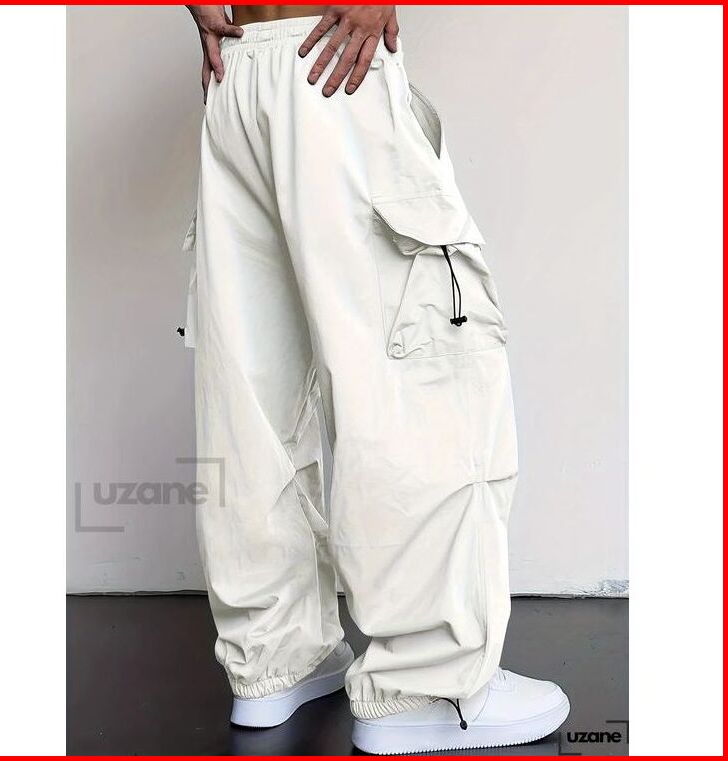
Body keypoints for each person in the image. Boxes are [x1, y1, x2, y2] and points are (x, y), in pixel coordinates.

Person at [182, 4, 569, 754]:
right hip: (333, 60)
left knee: (251, 392)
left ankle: (274, 660)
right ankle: (426, 687)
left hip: (239, 70)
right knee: (413, 379)